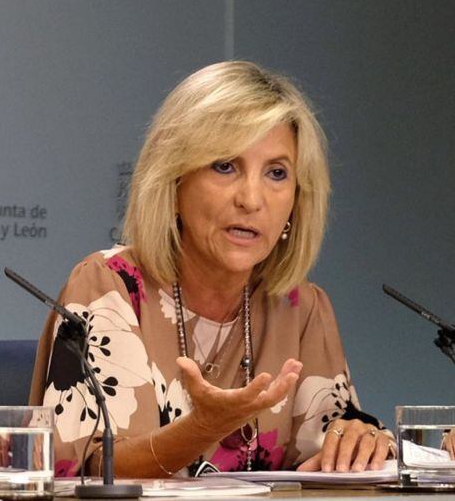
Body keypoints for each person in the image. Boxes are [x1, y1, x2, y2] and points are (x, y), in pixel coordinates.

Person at [29, 61, 392, 478]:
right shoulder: (109, 286)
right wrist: (205, 427)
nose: (252, 199)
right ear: (174, 179)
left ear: (297, 199)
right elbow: (94, 472)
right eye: (225, 166)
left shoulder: (302, 307)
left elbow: (330, 457)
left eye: (276, 173)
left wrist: (361, 443)